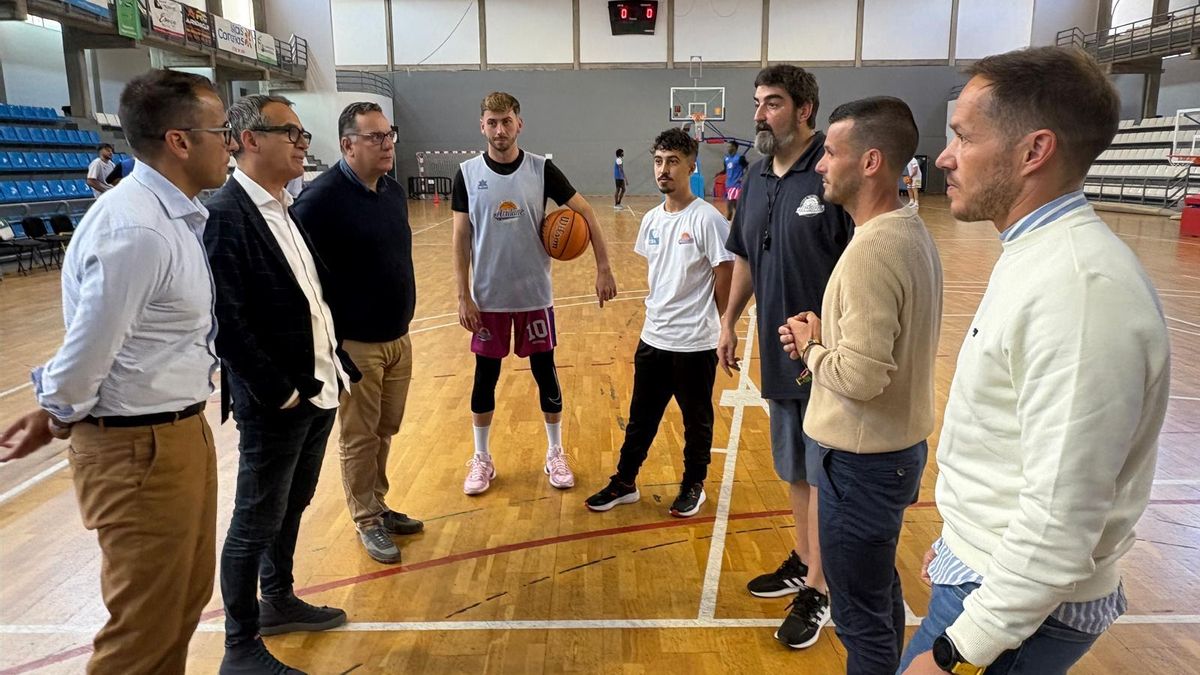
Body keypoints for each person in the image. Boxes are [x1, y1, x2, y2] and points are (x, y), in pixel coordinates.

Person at [899, 46, 1170, 675]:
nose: (945, 157)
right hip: (990, 576)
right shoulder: (1038, 255)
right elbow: (1014, 448)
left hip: (1015, 616)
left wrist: (958, 651)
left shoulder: (1079, 289)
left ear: (1033, 151)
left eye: (964, 136)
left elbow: (1062, 518)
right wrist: (962, 540)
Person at [0, 69, 235, 674]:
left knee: (180, 605)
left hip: (174, 434)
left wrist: (53, 412)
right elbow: (89, 350)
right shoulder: (137, 230)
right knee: (143, 628)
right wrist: (55, 412)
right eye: (221, 131)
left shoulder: (170, 217)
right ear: (179, 141)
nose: (230, 143)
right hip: (137, 449)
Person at [778, 96, 942, 670]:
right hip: (889, 455)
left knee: (859, 621)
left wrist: (811, 348)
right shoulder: (908, 230)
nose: (821, 164)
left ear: (871, 162)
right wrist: (828, 340)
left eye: (831, 152)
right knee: (878, 597)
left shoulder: (872, 250)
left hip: (861, 464)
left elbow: (863, 376)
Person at [205, 95, 361, 675]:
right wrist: (281, 392)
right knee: (253, 521)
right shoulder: (226, 215)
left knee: (291, 505)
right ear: (249, 140)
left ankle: (279, 599)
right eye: (290, 133)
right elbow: (227, 321)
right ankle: (239, 646)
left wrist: (334, 367)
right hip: (279, 402)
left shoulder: (283, 207)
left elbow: (310, 300)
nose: (301, 143)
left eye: (301, 134)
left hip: (319, 388)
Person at [719, 64, 854, 649]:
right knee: (795, 467)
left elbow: (861, 259)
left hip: (827, 357)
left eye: (772, 102)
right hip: (779, 353)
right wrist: (728, 319)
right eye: (757, 102)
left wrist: (834, 334)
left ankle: (821, 586)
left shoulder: (831, 170)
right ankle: (804, 558)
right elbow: (747, 255)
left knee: (825, 472)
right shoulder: (754, 176)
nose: (759, 114)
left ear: (805, 110)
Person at [452, 91, 618, 496]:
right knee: (484, 378)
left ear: (519, 124)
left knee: (546, 373)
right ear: (482, 125)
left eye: (506, 121)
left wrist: (603, 267)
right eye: (492, 122)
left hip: (534, 295)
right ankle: (481, 458)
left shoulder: (542, 168)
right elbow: (460, 237)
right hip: (488, 298)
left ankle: (555, 452)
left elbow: (586, 213)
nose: (500, 130)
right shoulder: (467, 173)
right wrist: (462, 295)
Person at [294, 101, 422, 566]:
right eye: (375, 137)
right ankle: (366, 518)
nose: (387, 144)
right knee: (360, 435)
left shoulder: (392, 191)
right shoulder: (319, 201)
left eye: (389, 135)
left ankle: (378, 504)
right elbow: (301, 278)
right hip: (356, 344)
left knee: (385, 429)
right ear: (348, 145)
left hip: (398, 338)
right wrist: (331, 343)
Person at [585, 128, 733, 517]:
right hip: (653, 338)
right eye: (658, 161)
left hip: (695, 343)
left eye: (672, 162)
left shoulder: (707, 219)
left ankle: (693, 485)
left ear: (691, 166)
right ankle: (625, 482)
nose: (663, 170)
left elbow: (725, 275)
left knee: (696, 422)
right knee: (641, 418)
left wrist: (718, 324)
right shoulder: (651, 220)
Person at [716, 141, 749, 220]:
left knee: (730, 202)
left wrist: (743, 177)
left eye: (730, 146)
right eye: (727, 146)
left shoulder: (740, 158)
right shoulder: (726, 159)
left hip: (736, 184)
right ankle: (740, 218)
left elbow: (747, 168)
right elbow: (726, 170)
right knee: (734, 203)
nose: (728, 148)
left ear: (735, 148)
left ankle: (728, 218)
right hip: (728, 184)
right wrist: (719, 173)